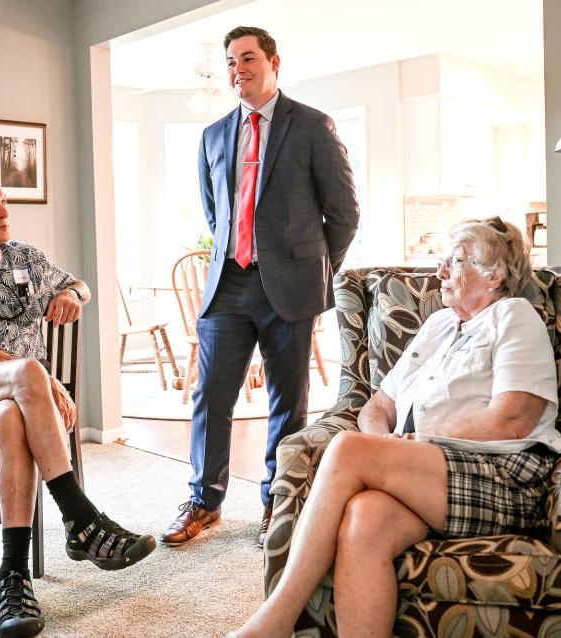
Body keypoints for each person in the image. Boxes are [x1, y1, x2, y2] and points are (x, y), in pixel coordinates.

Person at [231, 218, 561, 637]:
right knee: (363, 518)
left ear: (494, 275)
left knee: (347, 450)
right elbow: (377, 406)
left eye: (456, 262)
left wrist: (408, 445)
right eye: (443, 261)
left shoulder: (514, 316)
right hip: (429, 473)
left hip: (503, 477)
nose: (440, 272)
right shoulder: (439, 325)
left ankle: (276, 619)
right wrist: (386, 451)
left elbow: (514, 419)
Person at [0, 172, 155, 638]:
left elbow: (82, 285)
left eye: (4, 200)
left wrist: (71, 294)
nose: (4, 211)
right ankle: (81, 518)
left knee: (12, 418)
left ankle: (12, 577)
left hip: (15, 399)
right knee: (28, 373)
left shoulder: (26, 257)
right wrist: (47, 382)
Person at [161, 26, 360, 549]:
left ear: (274, 62)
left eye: (247, 58)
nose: (236, 69)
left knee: (286, 402)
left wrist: (313, 268)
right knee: (210, 397)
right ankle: (204, 500)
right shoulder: (213, 135)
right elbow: (215, 212)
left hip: (288, 288)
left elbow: (343, 213)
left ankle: (279, 498)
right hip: (227, 284)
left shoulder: (314, 126)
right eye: (230, 61)